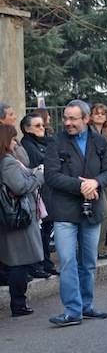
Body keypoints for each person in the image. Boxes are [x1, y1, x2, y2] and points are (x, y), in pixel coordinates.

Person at [44, 100, 107, 326]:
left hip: (92, 209)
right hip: (65, 210)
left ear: (86, 119)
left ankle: (86, 306)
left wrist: (96, 182)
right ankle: (72, 310)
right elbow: (51, 176)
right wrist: (82, 186)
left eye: (73, 119)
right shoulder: (57, 142)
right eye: (65, 118)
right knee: (66, 260)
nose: (68, 123)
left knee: (89, 262)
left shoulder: (100, 141)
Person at [0, 124, 45, 317]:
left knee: (13, 261)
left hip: (8, 216)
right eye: (12, 139)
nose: (15, 143)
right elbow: (19, 187)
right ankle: (18, 304)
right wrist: (38, 177)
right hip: (18, 217)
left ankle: (18, 303)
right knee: (20, 262)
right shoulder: (7, 162)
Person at [20, 113, 58, 277]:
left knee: (47, 228)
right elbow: (40, 161)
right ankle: (37, 265)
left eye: (42, 125)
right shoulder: (27, 144)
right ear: (27, 129)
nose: (42, 128)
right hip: (38, 191)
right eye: (37, 126)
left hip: (50, 190)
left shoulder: (48, 141)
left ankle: (46, 262)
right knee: (39, 231)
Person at [90, 104, 107, 260]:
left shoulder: (106, 133)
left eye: (103, 114)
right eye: (96, 113)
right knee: (103, 212)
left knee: (103, 213)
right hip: (95, 177)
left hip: (105, 176)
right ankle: (95, 249)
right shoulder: (90, 133)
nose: (100, 116)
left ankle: (98, 248)